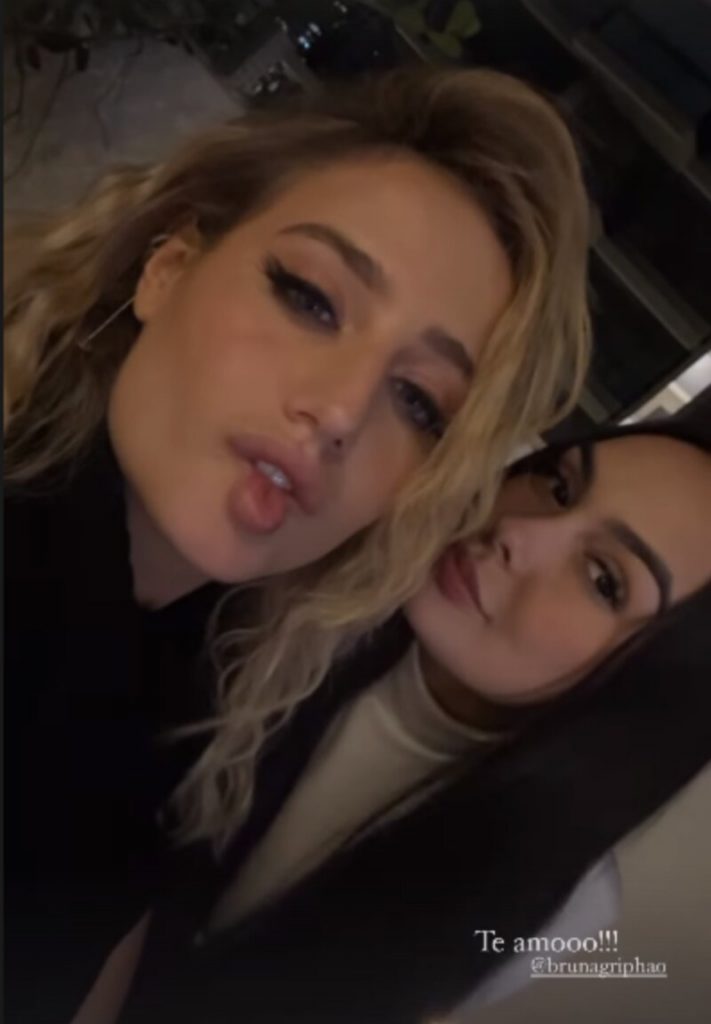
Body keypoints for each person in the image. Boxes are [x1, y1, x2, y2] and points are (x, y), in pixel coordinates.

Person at [4, 66, 591, 1024]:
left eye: (419, 403)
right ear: (168, 267)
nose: (341, 411)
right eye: (311, 298)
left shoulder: (200, 689)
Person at [111, 394, 711, 1024]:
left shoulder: (551, 904)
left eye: (603, 579)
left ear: (651, 692)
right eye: (559, 487)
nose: (517, 532)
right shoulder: (302, 578)